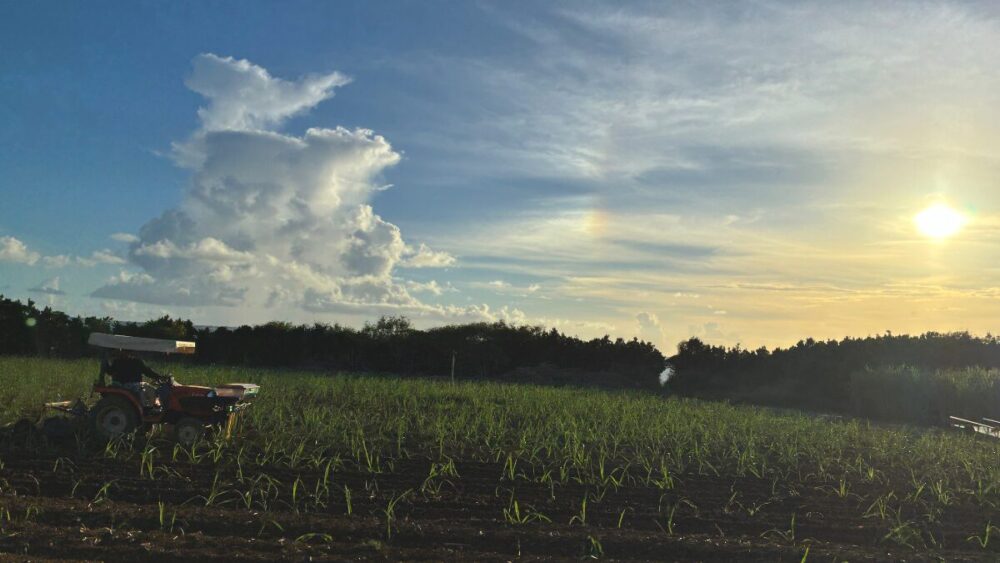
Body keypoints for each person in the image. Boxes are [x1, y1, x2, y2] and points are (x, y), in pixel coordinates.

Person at [101, 350, 165, 408]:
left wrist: (158, 377)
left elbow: (109, 371)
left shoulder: (118, 361)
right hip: (130, 386)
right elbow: (147, 372)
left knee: (149, 390)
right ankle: (148, 407)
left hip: (125, 385)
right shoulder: (134, 362)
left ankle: (150, 406)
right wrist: (158, 377)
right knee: (151, 391)